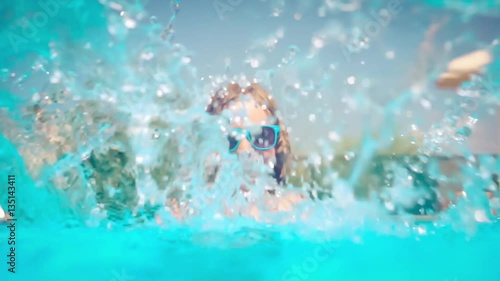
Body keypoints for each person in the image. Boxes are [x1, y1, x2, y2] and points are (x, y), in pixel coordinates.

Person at [165, 82, 305, 222]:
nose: (244, 149)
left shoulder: (297, 210)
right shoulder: (188, 213)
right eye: (230, 139)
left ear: (278, 146)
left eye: (262, 136)